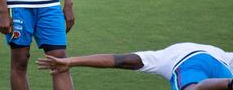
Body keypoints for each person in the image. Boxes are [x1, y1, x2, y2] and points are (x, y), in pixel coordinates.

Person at [37, 42, 233, 90]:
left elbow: (118, 61)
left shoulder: (161, 57)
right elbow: (117, 61)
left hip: (186, 65)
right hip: (219, 62)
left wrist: (71, 61)